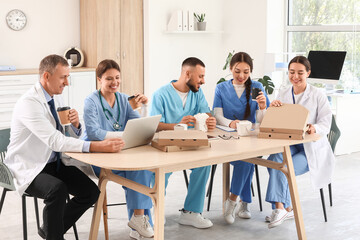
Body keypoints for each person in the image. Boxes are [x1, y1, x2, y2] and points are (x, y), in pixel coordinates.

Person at [4, 54, 124, 240]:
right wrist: (98, 146)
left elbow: (64, 136)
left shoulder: (55, 98)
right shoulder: (29, 104)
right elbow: (56, 141)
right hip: (29, 165)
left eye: (68, 77)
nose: (67, 83)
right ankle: (55, 236)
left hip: (52, 163)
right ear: (46, 76)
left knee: (90, 192)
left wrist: (75, 126)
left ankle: (50, 230)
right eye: (63, 77)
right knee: (57, 190)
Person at [82, 59, 154, 240]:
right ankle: (140, 221)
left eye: (117, 78)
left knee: (141, 168)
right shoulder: (91, 101)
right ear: (99, 79)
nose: (114, 82)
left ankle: (138, 220)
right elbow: (93, 132)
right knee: (139, 174)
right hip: (99, 156)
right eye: (109, 79)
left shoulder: (123, 99)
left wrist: (145, 107)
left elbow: (137, 125)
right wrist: (121, 136)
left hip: (121, 153)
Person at [265, 56, 335, 228]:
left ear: (308, 73)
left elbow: (326, 123)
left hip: (310, 148)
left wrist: (314, 128)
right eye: (291, 72)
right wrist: (273, 109)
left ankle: (280, 208)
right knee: (273, 160)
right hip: (290, 143)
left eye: (300, 73)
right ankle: (287, 208)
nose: (295, 76)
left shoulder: (318, 94)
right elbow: (277, 122)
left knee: (284, 168)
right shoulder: (283, 93)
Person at [150, 57, 216, 229]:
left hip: (190, 146)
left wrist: (210, 120)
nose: (203, 81)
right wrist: (177, 125)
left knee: (204, 163)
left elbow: (207, 112)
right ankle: (156, 210)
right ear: (187, 74)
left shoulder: (197, 93)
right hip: (166, 148)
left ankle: (191, 212)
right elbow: (154, 126)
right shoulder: (161, 94)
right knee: (159, 171)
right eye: (200, 76)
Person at [213, 52, 270, 224]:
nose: (241, 76)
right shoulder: (221, 88)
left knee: (247, 158)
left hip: (250, 138)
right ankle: (243, 202)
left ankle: (232, 201)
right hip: (226, 139)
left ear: (251, 71)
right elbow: (217, 115)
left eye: (246, 72)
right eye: (237, 71)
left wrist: (262, 107)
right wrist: (231, 124)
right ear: (230, 68)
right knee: (247, 160)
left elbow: (262, 120)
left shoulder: (257, 86)